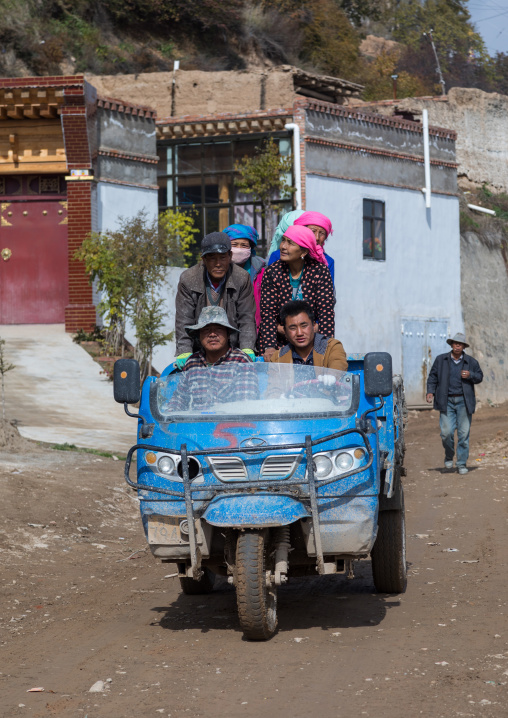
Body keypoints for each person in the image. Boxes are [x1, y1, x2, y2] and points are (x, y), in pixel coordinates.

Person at [174, 232, 257, 367]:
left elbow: (246, 316)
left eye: (222, 257)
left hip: (232, 348)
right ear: (204, 259)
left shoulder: (241, 278)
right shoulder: (188, 279)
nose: (218, 263)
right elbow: (184, 318)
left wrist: (247, 348)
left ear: (230, 256)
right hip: (199, 349)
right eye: (212, 258)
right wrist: (184, 351)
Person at [258, 225, 335, 362]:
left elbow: (326, 313)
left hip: (311, 341)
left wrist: (325, 348)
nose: (283, 246)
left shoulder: (320, 272)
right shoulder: (272, 273)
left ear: (303, 251)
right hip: (280, 342)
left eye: (290, 243)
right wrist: (269, 347)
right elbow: (268, 313)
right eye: (283, 241)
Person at [168, 306, 258, 412]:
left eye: (218, 329)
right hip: (196, 426)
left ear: (228, 334)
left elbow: (245, 406)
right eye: (206, 330)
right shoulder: (192, 363)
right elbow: (179, 400)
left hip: (230, 426)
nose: (212, 334)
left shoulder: (241, 361)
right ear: (199, 335)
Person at [426, 332, 483, 475]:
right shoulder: (441, 360)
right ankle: (449, 456)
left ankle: (462, 463)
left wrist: (470, 375)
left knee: (463, 435)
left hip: (464, 401)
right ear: (451, 345)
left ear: (463, 346)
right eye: (455, 343)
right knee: (446, 433)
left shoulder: (471, 362)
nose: (457, 346)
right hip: (446, 401)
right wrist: (430, 391)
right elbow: (432, 377)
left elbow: (479, 376)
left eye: (460, 344)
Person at [270, 300, 347, 369]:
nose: (299, 333)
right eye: (293, 328)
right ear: (285, 331)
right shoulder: (278, 358)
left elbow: (338, 367)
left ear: (313, 325)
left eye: (304, 326)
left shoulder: (331, 347)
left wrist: (330, 378)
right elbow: (273, 384)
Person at [268, 210, 335, 285]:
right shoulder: (279, 256)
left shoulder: (328, 261)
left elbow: (327, 292)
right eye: (313, 231)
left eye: (322, 233)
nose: (317, 238)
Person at [223, 224, 266, 330]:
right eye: (234, 244)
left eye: (244, 245)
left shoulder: (261, 270)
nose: (239, 249)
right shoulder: (219, 270)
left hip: (256, 329)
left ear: (251, 247)